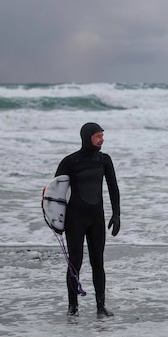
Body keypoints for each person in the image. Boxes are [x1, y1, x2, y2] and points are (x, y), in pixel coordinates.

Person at [55, 122, 120, 317]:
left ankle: (100, 306)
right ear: (87, 137)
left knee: (98, 262)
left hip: (96, 218)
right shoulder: (70, 161)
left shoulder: (104, 160)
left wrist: (116, 214)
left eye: (102, 135)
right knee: (75, 262)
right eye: (98, 136)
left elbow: (113, 188)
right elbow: (55, 193)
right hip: (74, 219)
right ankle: (72, 306)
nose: (102, 139)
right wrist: (55, 221)